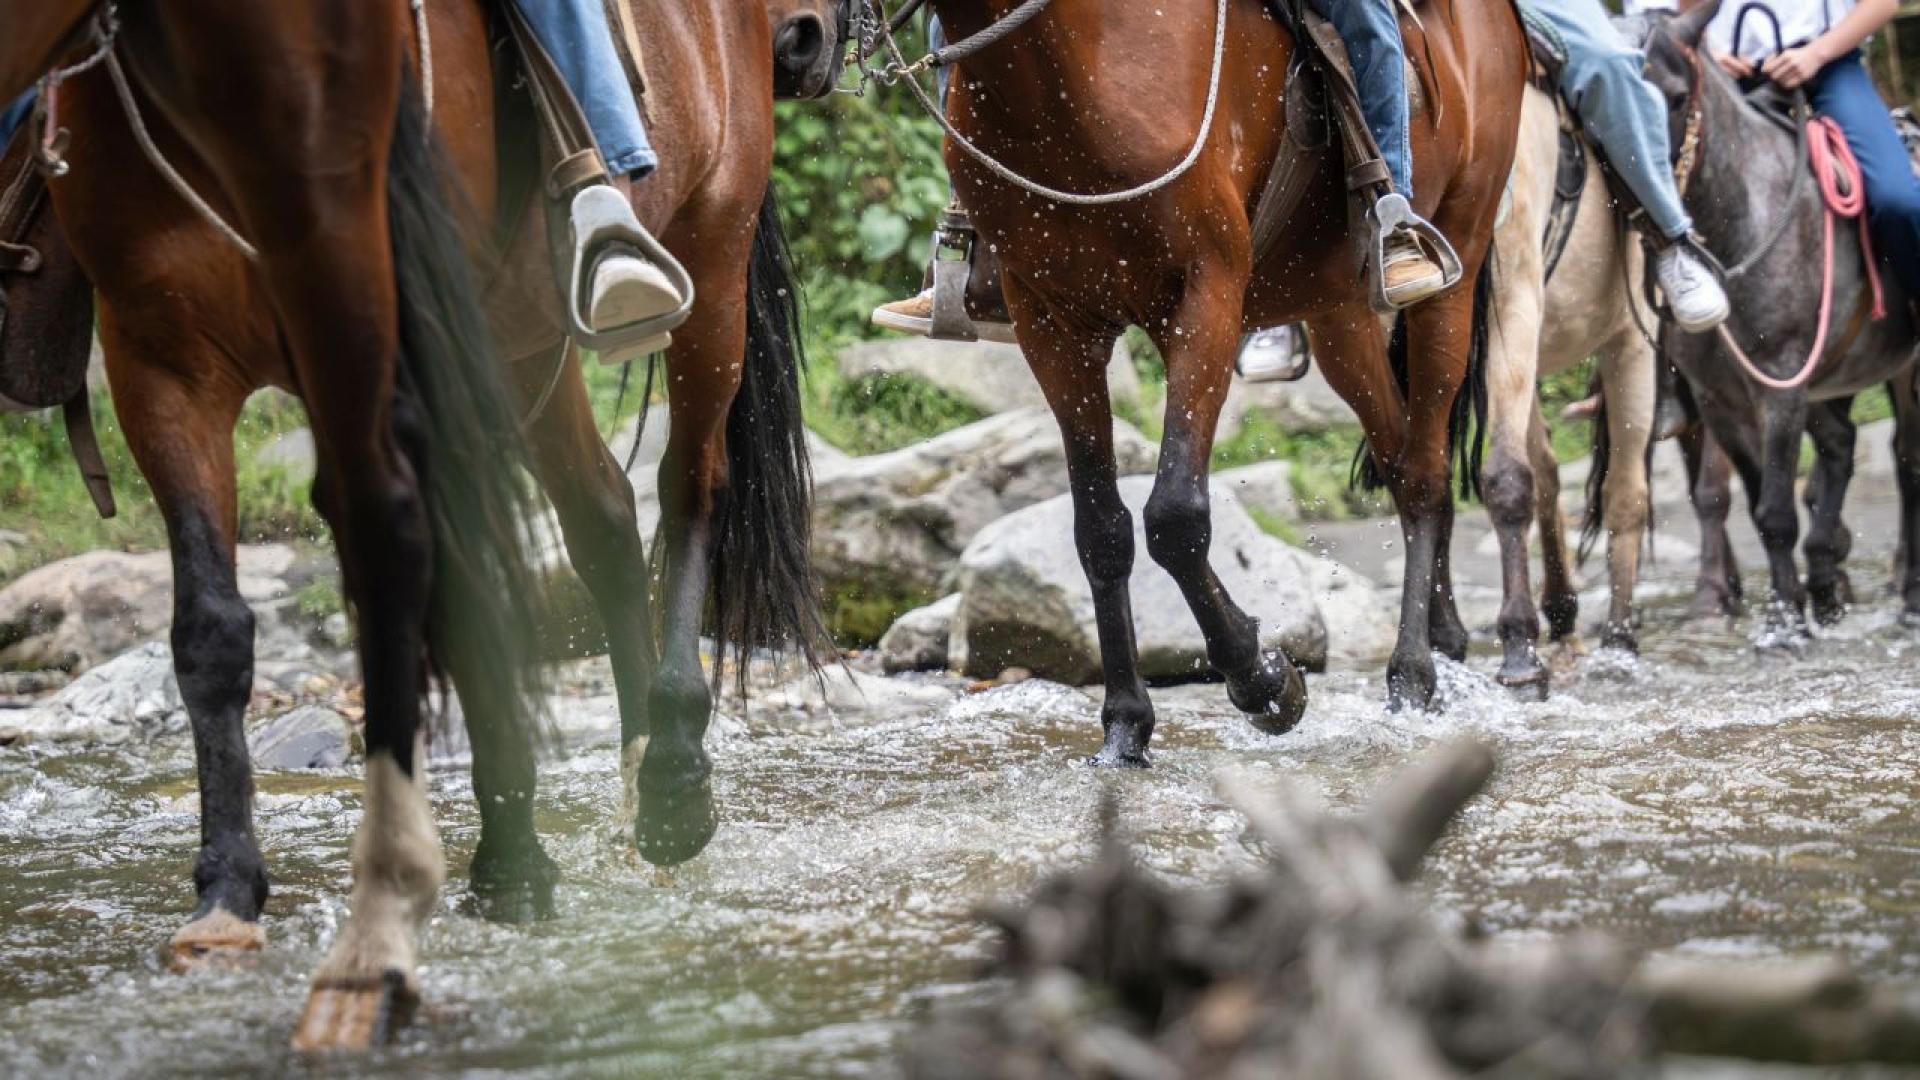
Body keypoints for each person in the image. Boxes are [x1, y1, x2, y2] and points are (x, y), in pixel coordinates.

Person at [1702, 0, 1920, 299]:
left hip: (1829, 70)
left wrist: (1815, 54)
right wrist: (1707, 53)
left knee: (1896, 200)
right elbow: (1681, 12)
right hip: (1729, 82)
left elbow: (1883, 4)